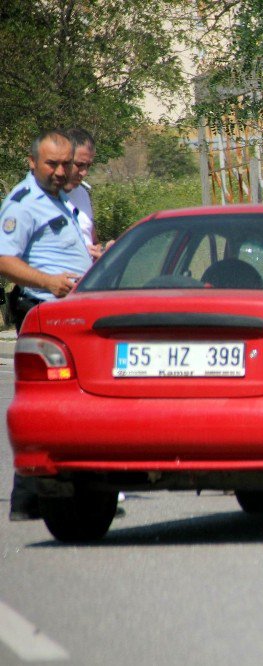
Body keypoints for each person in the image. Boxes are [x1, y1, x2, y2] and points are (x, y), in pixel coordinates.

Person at [0, 130, 92, 521]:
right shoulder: (23, 204)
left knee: (71, 407)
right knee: (45, 405)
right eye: (51, 164)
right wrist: (49, 282)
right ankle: (27, 498)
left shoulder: (60, 198)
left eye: (64, 164)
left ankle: (50, 494)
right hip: (43, 312)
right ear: (32, 161)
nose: (59, 171)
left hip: (69, 315)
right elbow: (4, 260)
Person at [64, 128, 102, 259]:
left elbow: (92, 240)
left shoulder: (82, 194)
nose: (84, 172)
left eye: (88, 166)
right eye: (79, 165)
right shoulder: (35, 198)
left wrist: (102, 251)